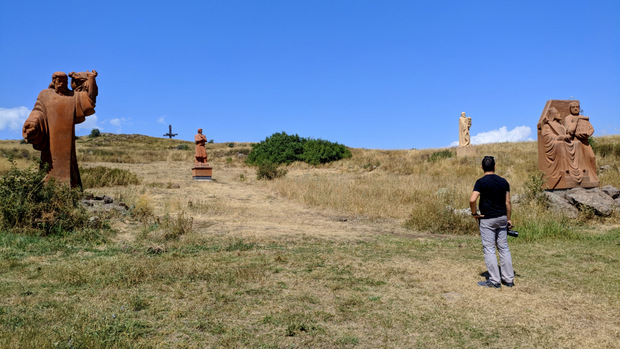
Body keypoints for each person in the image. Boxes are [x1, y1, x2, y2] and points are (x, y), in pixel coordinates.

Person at [22, 71, 98, 188]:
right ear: (54, 81)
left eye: (65, 82)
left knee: (69, 165)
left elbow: (90, 98)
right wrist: (32, 123)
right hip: (50, 142)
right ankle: (47, 190)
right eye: (59, 81)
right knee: (48, 166)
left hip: (67, 143)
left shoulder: (72, 96)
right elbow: (38, 111)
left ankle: (71, 191)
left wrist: (91, 79)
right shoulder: (44, 95)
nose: (62, 84)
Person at [469, 156, 515, 288]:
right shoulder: (503, 182)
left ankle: (494, 280)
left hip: (487, 219)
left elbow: (472, 200)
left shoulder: (480, 182)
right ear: (495, 167)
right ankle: (508, 279)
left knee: (489, 249)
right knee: (504, 248)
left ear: (482, 167)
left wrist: (474, 213)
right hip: (501, 218)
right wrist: (509, 218)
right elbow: (508, 202)